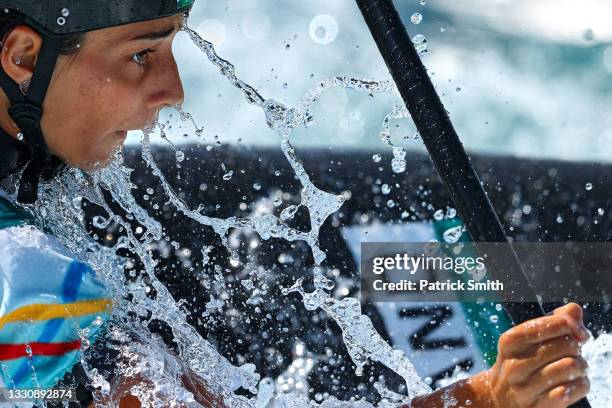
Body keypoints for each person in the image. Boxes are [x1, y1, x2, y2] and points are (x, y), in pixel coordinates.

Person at [0, 1, 591, 407]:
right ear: (23, 56)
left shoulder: (43, 187)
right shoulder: (24, 274)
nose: (173, 92)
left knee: (587, 269)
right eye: (141, 55)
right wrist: (481, 398)